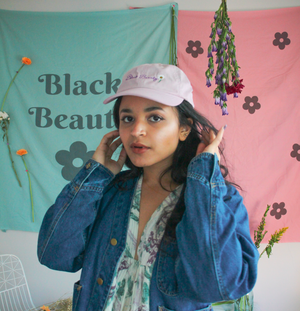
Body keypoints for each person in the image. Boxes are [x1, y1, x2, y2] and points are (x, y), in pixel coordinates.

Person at [38, 63, 259, 311]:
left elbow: (219, 286)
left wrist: (204, 180)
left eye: (155, 117)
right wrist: (94, 176)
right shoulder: (109, 191)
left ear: (184, 129)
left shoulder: (217, 199)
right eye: (127, 118)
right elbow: (55, 255)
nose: (136, 131)